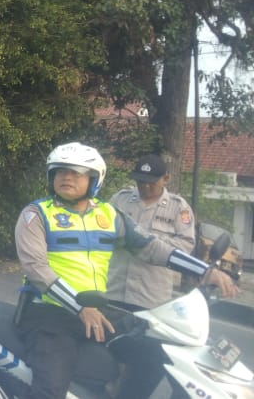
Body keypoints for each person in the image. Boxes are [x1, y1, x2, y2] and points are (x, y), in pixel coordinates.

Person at [14, 142, 238, 399]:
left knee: (154, 353)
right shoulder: (36, 214)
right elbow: (36, 269)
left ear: (94, 179)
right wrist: (79, 307)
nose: (66, 176)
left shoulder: (109, 214)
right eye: (60, 171)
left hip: (96, 311)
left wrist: (207, 272)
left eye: (77, 172)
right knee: (50, 390)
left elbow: (152, 248)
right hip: (48, 315)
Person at [108, 153, 196, 310]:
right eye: (140, 181)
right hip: (114, 289)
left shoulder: (178, 208)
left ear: (166, 179)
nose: (145, 186)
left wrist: (150, 241)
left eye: (151, 182)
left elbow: (186, 246)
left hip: (151, 296)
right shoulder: (120, 200)